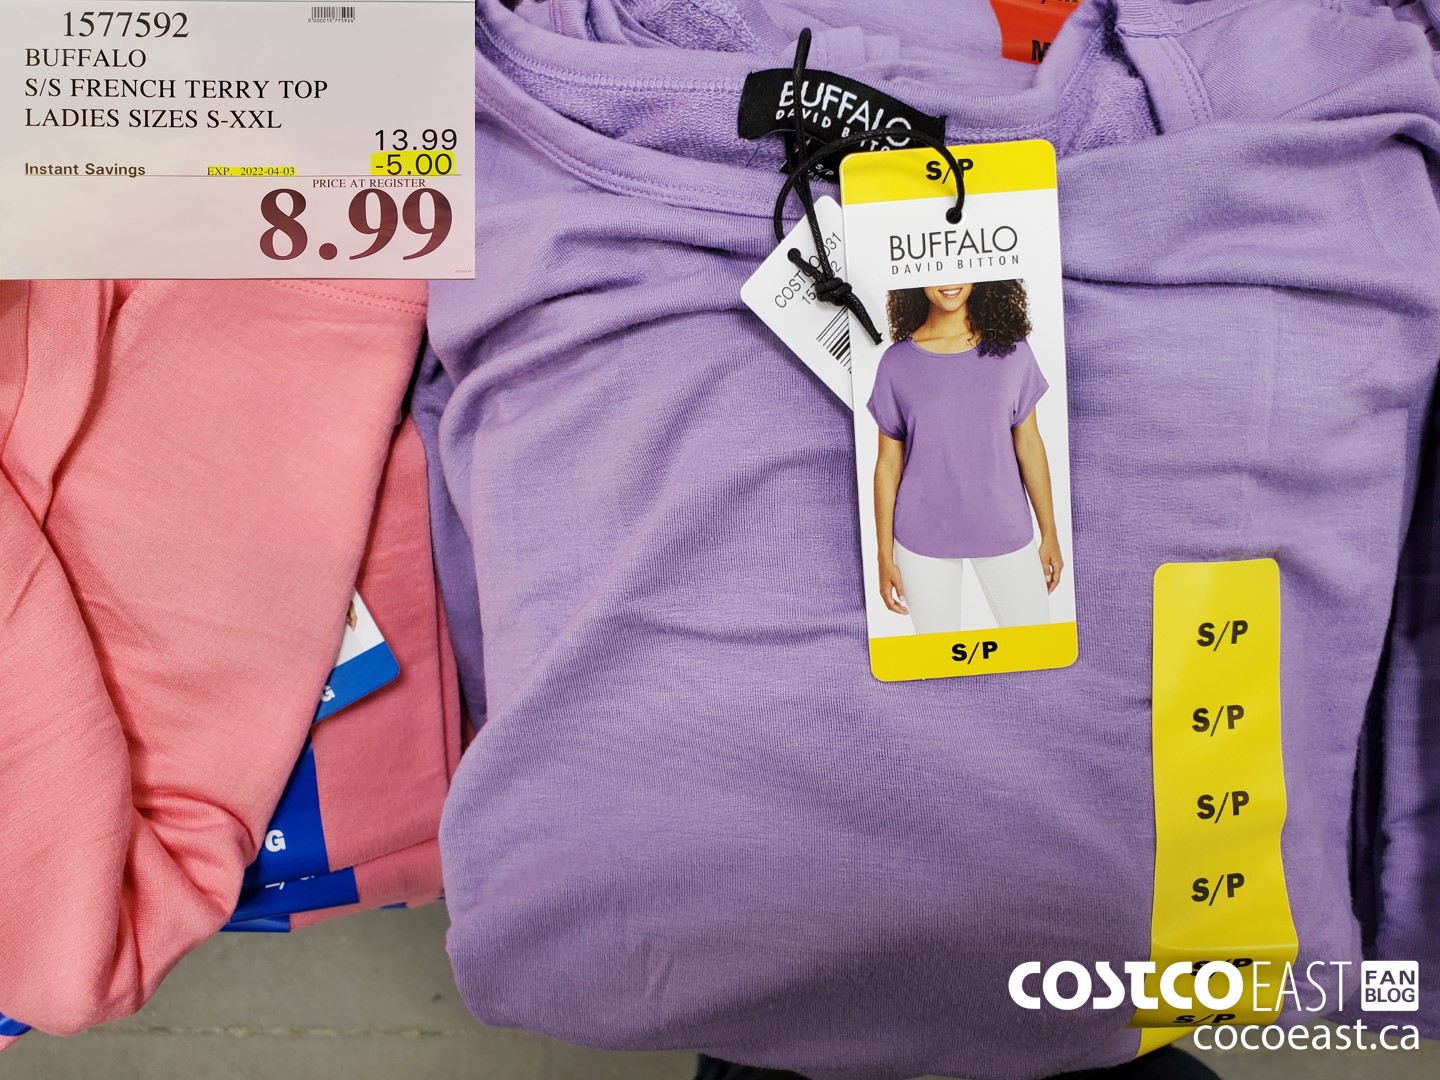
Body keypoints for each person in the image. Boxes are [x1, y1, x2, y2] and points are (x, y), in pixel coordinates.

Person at [868, 281, 1062, 634]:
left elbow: (1030, 444)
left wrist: (1049, 532)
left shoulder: (1012, 349)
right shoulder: (896, 363)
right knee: (938, 659)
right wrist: (883, 554)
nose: (949, 282)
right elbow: (887, 464)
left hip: (1005, 526)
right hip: (921, 536)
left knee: (1035, 648)